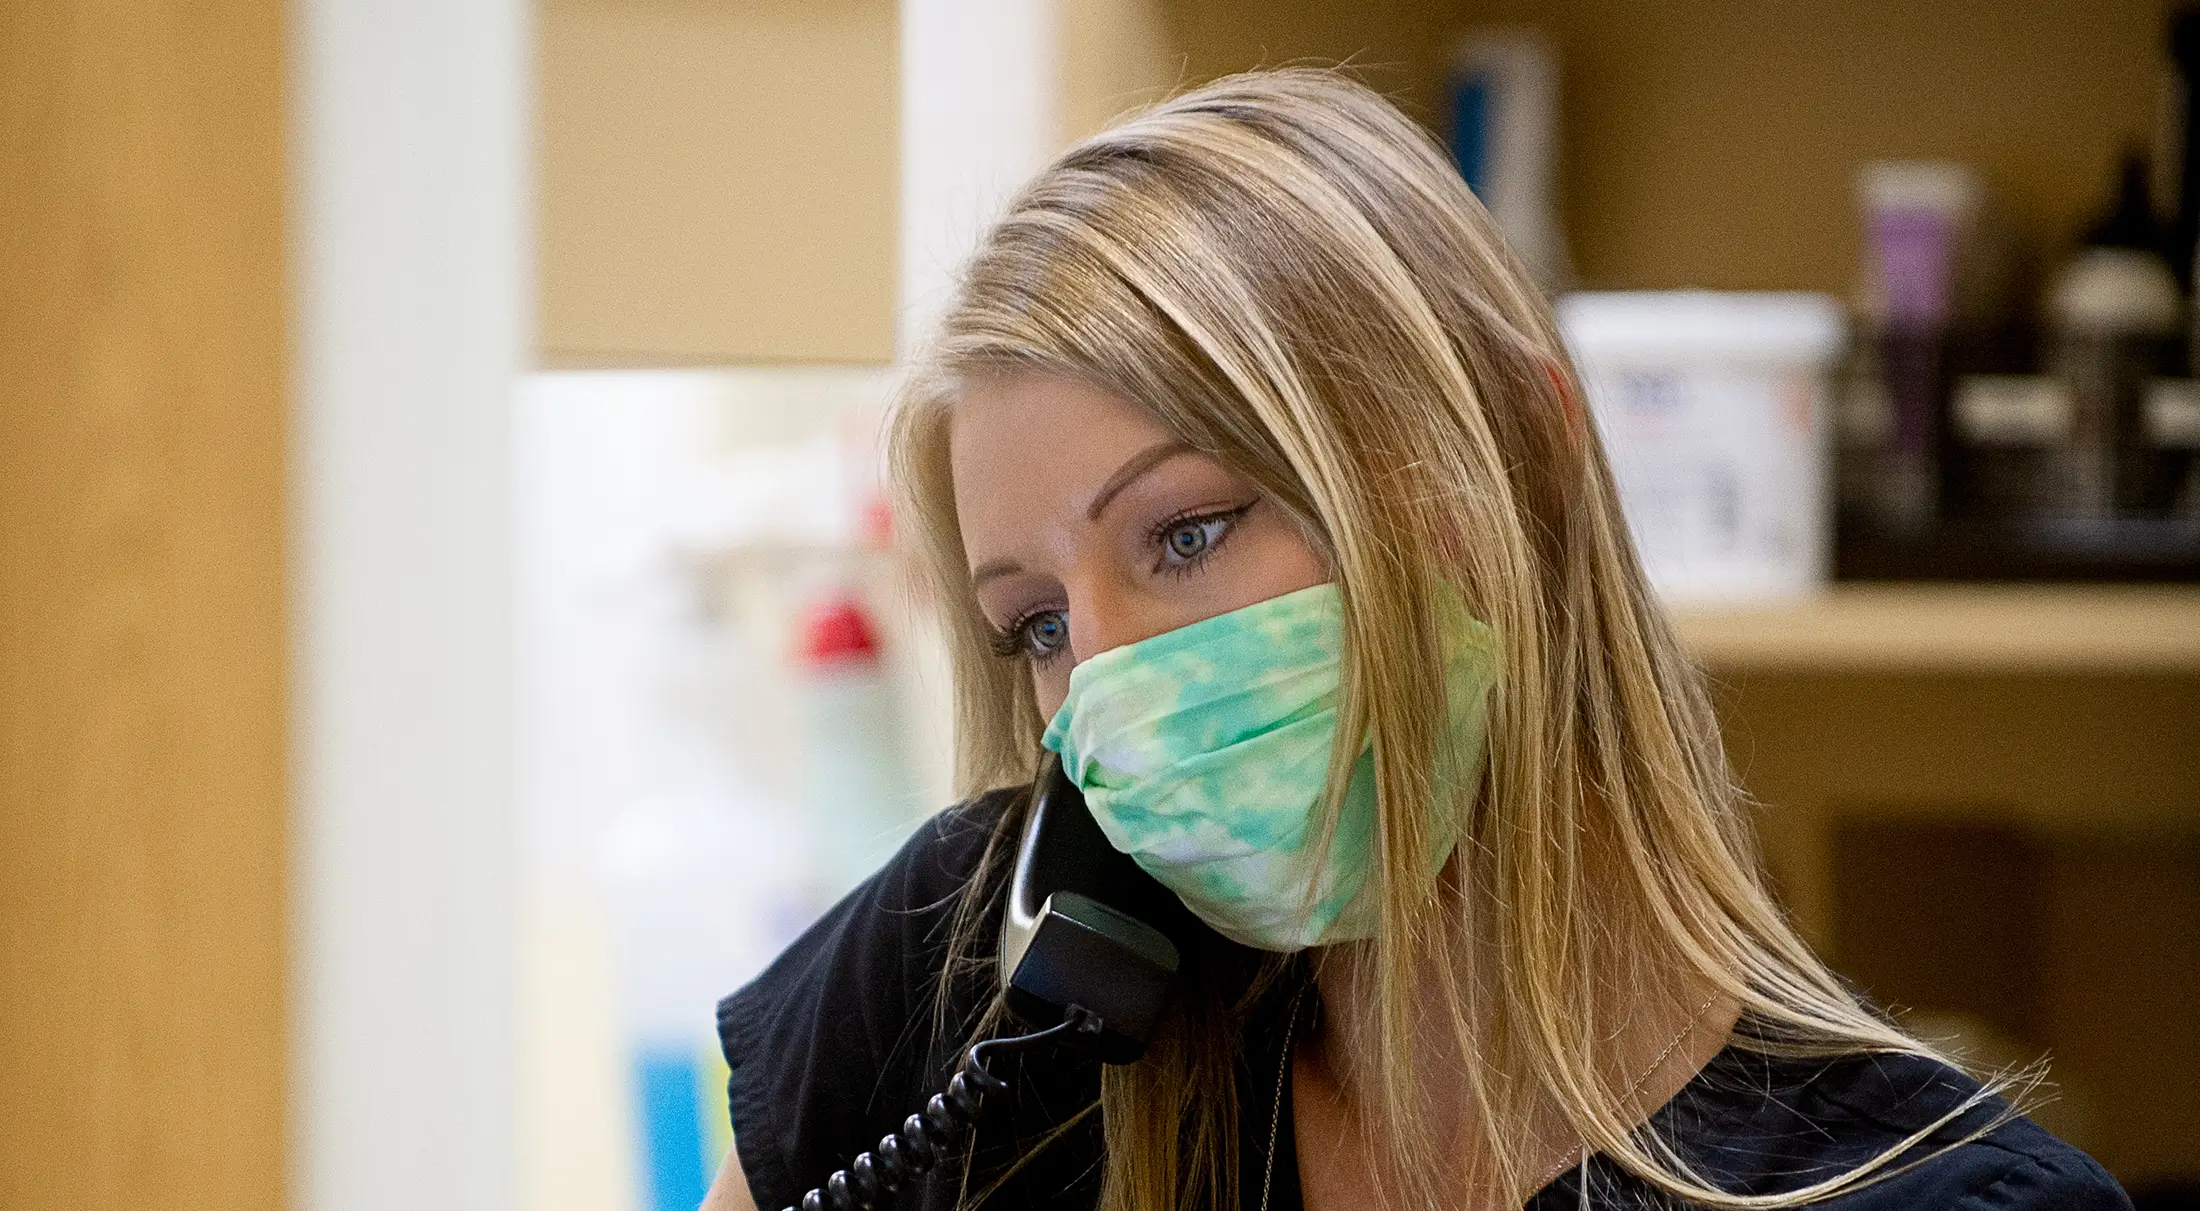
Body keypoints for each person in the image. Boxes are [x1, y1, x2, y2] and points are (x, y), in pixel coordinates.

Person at [703, 70, 2127, 1211]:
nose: (1114, 676)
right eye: (1041, 622)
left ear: (1516, 462)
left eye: (1188, 533)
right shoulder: (985, 991)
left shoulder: (1941, 1191)